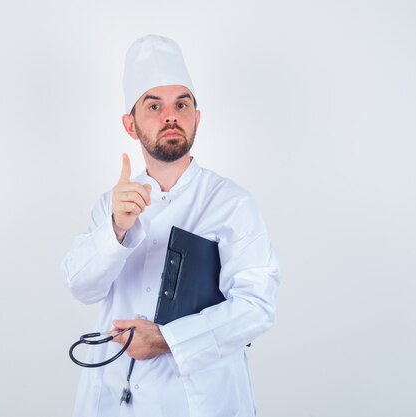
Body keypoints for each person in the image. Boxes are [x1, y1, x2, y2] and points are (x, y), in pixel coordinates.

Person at [61, 34, 280, 417]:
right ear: (130, 125)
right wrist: (116, 230)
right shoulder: (113, 203)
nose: (170, 115)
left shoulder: (231, 203)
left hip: (201, 399)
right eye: (154, 106)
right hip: (115, 395)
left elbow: (257, 305)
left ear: (197, 116)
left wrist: (168, 338)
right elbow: (82, 286)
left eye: (182, 103)